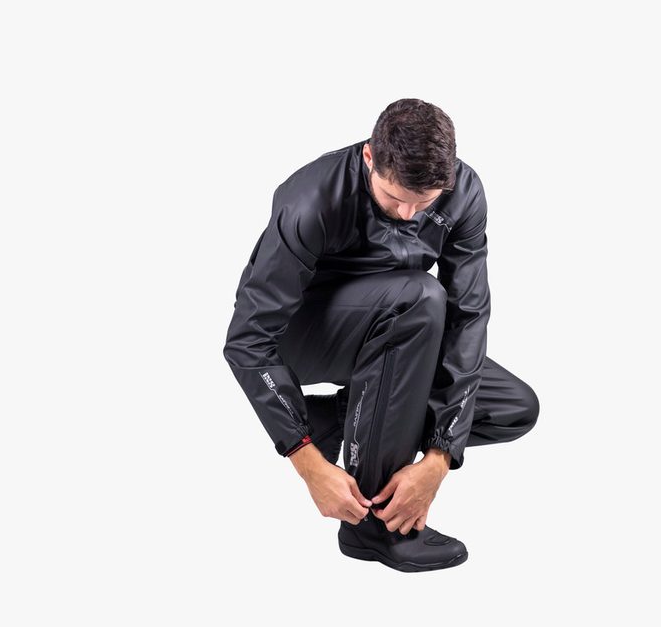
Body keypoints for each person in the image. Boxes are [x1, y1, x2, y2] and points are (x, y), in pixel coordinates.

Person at [222, 98, 540, 572]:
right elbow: (248, 339)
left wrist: (439, 457)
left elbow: (468, 317)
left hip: (398, 328)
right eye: (394, 198)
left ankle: (344, 420)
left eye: (424, 203)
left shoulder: (465, 191)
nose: (409, 214)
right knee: (420, 297)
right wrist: (305, 458)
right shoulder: (311, 199)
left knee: (512, 408)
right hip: (304, 336)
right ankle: (373, 529)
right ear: (370, 157)